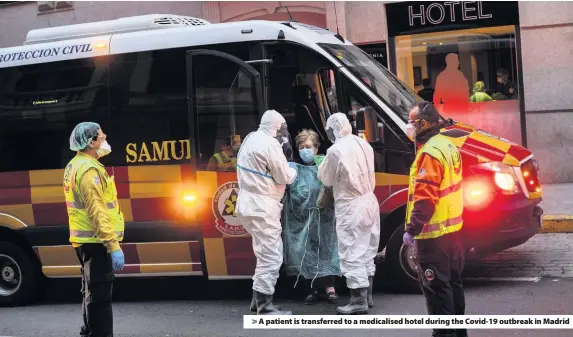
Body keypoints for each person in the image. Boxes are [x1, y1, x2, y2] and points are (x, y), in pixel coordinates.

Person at [403, 101, 467, 337]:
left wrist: (412, 229)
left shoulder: (429, 153)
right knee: (453, 287)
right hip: (454, 232)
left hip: (434, 237)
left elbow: (425, 197)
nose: (410, 127)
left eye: (412, 123)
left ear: (424, 123)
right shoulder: (447, 146)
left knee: (438, 292)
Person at [64, 122, 125, 337]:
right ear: (91, 143)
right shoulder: (89, 171)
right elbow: (97, 212)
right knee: (100, 297)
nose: (105, 137)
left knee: (90, 291)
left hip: (86, 241)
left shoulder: (76, 164)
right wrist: (113, 245)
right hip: (96, 242)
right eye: (100, 137)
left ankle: (88, 331)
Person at [317, 113, 380, 315]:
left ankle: (358, 301)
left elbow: (325, 177)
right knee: (367, 249)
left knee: (352, 252)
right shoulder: (364, 144)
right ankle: (368, 296)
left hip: (351, 205)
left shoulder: (335, 150)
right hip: (370, 200)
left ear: (333, 129)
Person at [236, 109, 297, 315]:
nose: (284, 133)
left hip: (247, 203)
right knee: (271, 255)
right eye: (282, 129)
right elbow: (283, 177)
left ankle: (257, 300)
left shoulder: (251, 138)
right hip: (263, 205)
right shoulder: (270, 144)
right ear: (277, 127)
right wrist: (293, 170)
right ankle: (265, 306)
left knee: (263, 253)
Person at [281, 129, 341, 305]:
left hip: (325, 218)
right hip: (301, 220)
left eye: (308, 146)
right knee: (306, 252)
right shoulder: (293, 169)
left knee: (327, 250)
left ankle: (330, 288)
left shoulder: (324, 165)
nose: (304, 150)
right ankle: (312, 289)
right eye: (301, 147)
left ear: (316, 149)